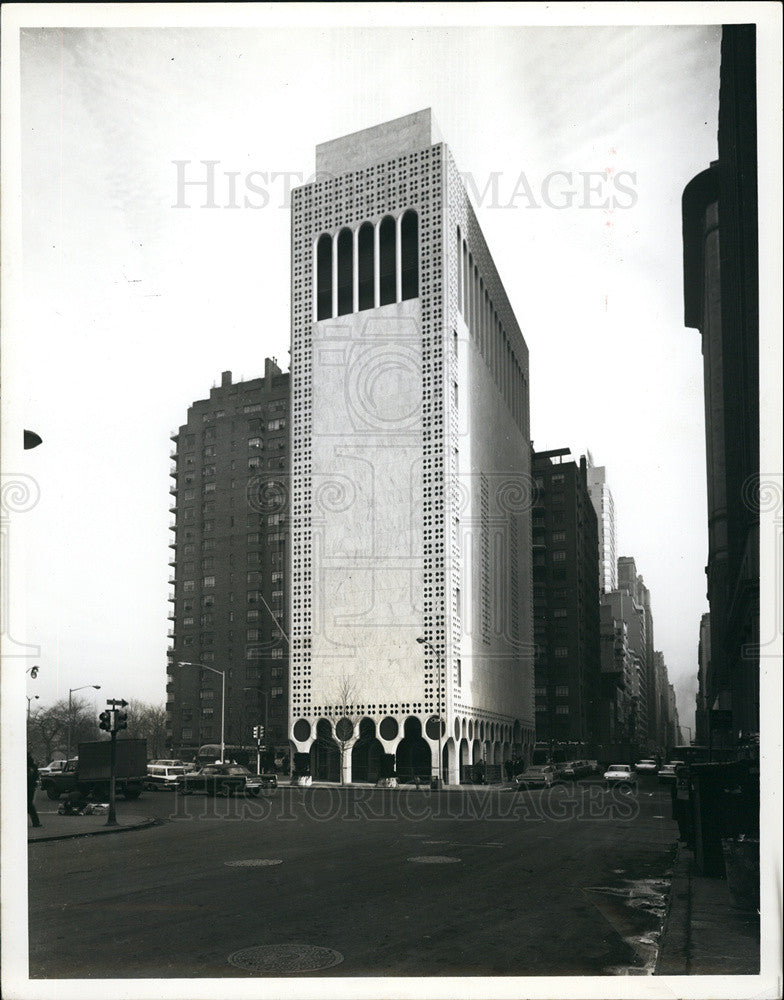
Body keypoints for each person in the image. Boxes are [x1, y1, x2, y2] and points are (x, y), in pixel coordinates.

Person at [27, 753, 42, 828]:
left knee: (29, 805)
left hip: (28, 787)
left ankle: (36, 822)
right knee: (30, 805)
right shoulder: (34, 767)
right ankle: (36, 822)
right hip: (31, 787)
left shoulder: (26, 767)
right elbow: (35, 777)